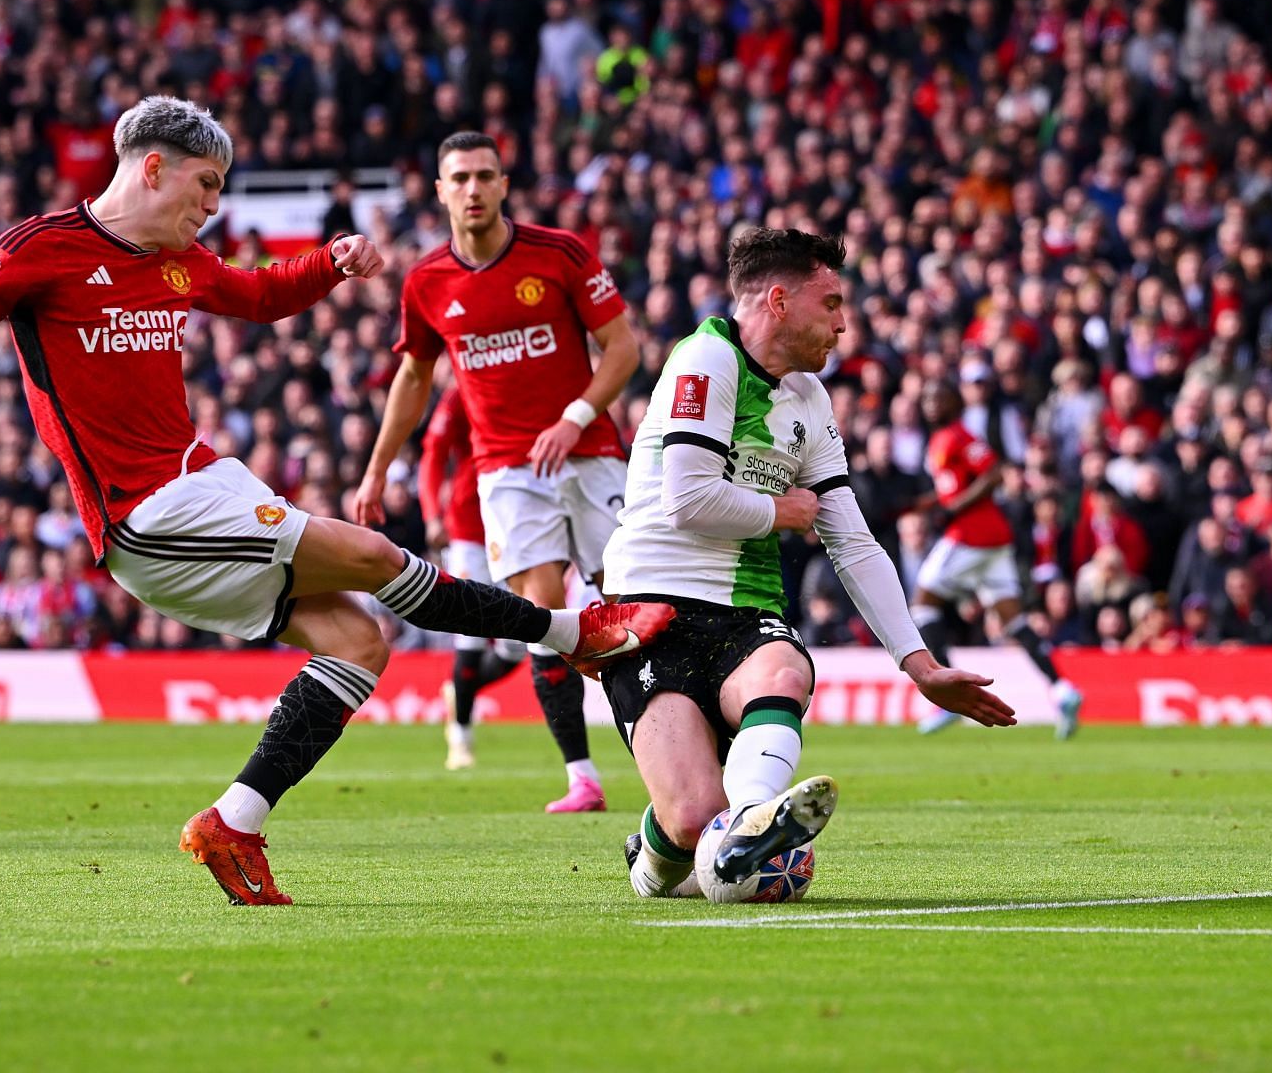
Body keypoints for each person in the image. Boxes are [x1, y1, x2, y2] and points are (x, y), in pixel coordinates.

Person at [0, 97, 671, 905]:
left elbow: (259, 296)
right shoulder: (41, 252)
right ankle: (568, 632)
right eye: (205, 187)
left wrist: (330, 263)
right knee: (377, 558)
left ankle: (233, 821)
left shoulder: (176, 262)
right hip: (145, 514)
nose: (213, 208)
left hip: (204, 481)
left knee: (360, 641)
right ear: (153, 168)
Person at [598, 229, 1014, 901]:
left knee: (786, 667)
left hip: (746, 614)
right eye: (832, 304)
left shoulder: (811, 401)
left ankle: (752, 820)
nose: (844, 324)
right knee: (686, 824)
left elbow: (852, 541)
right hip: (652, 610)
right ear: (781, 301)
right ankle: (665, 848)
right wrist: (779, 513)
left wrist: (922, 664)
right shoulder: (707, 357)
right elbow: (686, 499)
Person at [354, 130, 640, 813]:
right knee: (546, 617)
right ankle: (582, 777)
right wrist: (375, 472)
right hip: (507, 471)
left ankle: (687, 756)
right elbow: (413, 378)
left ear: (505, 184)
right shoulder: (427, 282)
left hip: (591, 451)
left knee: (638, 604)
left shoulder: (560, 253)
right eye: (460, 179)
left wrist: (573, 415)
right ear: (440, 191)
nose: (474, 190)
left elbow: (623, 347)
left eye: (485, 176)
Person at [911, 381, 1084, 738]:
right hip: (992, 542)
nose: (929, 404)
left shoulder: (959, 435)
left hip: (972, 535)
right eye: (925, 398)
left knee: (923, 605)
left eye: (937, 397)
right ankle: (1063, 690)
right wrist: (931, 504)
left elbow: (993, 472)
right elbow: (952, 490)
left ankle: (949, 697)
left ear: (955, 402)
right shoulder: (943, 438)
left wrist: (955, 508)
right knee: (1014, 621)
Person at [417, 387, 526, 770]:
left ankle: (460, 692)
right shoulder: (462, 393)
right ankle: (460, 738)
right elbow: (434, 454)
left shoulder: (530, 384)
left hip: (517, 527)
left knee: (517, 649)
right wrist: (432, 513)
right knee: (471, 634)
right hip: (468, 528)